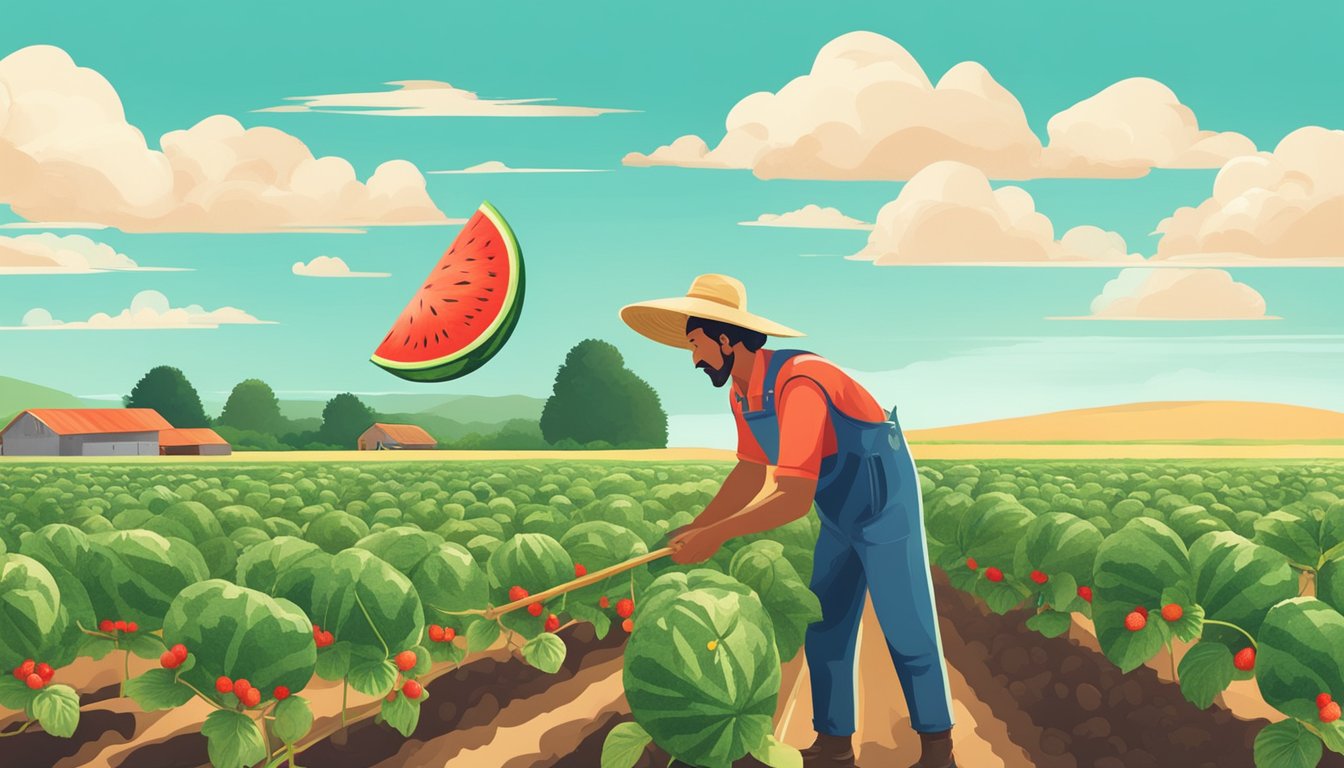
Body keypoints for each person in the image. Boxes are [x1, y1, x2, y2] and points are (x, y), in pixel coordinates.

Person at [619, 273, 957, 768]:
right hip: (839, 511)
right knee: (825, 625)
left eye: (697, 344)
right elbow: (751, 471)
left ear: (728, 338)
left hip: (884, 505)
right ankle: (834, 745)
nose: (694, 358)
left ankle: (938, 751)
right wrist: (696, 525)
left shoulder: (801, 382)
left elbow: (793, 496)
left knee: (905, 625)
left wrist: (714, 535)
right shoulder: (741, 393)